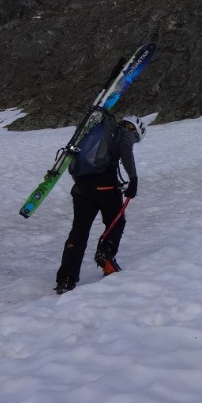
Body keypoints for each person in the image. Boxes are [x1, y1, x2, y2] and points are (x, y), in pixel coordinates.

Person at [55, 114, 147, 294]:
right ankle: (106, 253)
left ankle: (66, 278)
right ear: (134, 130)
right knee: (116, 221)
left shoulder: (98, 130)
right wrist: (133, 179)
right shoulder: (123, 134)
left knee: (79, 232)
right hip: (106, 187)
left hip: (81, 188)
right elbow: (126, 150)